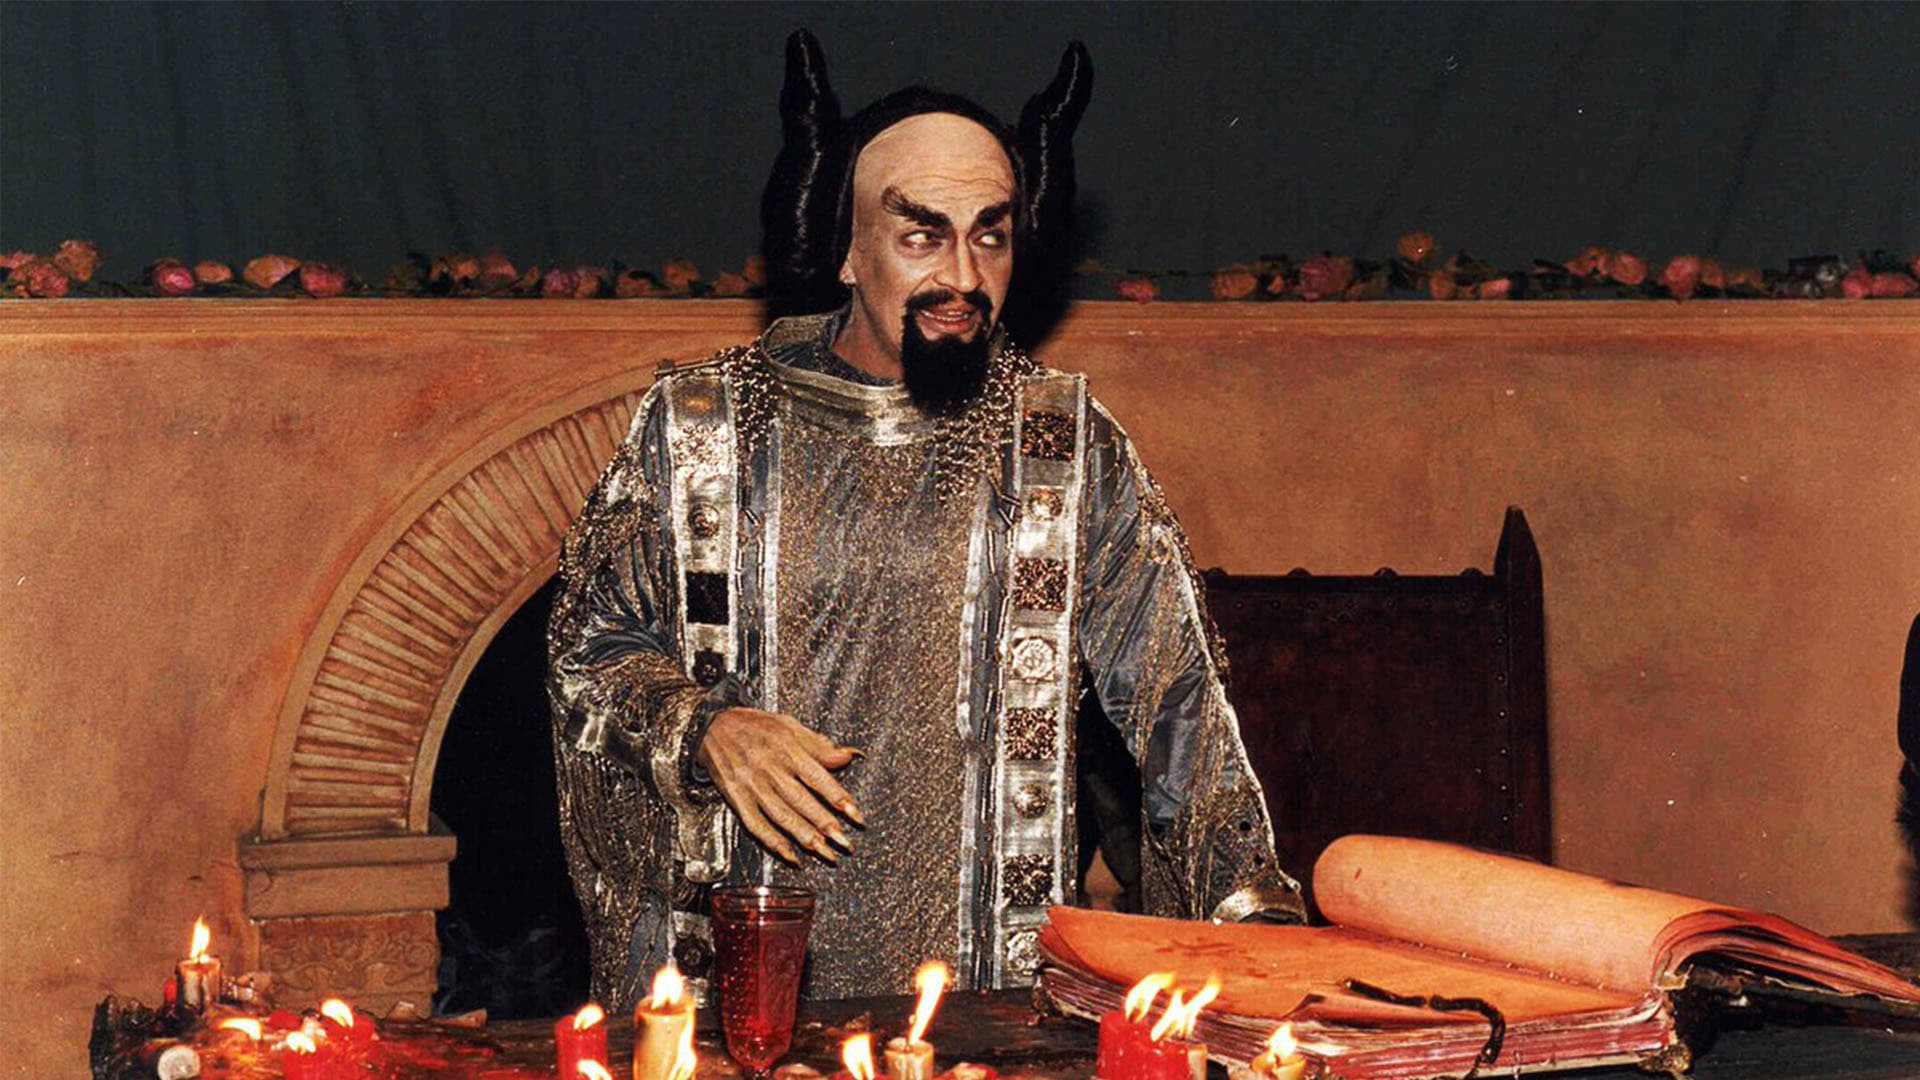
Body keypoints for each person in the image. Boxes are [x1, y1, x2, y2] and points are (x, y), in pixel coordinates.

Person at [546, 31, 1301, 1009]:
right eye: (921, 236)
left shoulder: (1062, 444)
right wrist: (705, 727)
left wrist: (1260, 934)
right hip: (748, 987)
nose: (964, 276)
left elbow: (1179, 708)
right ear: (847, 252)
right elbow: (588, 652)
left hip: (988, 991)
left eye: (990, 235)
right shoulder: (702, 427)